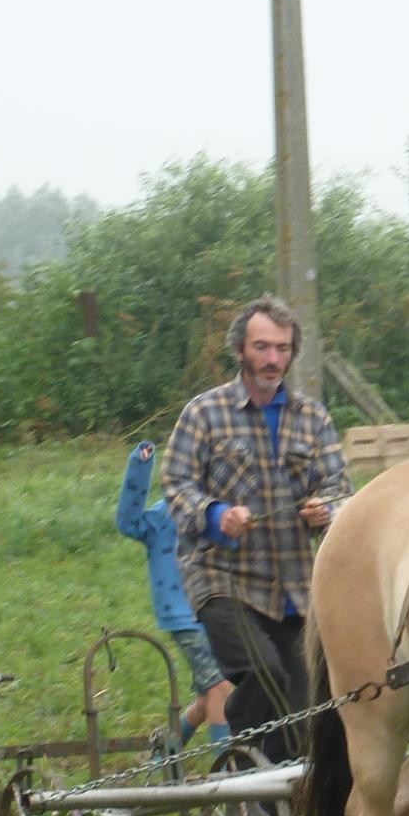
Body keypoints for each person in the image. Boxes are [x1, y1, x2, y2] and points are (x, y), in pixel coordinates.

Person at [161, 295, 348, 760]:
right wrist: (214, 514)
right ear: (241, 350)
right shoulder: (204, 413)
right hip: (223, 582)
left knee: (302, 710)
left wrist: (327, 508)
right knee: (265, 674)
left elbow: (340, 486)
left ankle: (271, 804)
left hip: (296, 589)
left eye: (282, 348)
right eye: (262, 347)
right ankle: (240, 767)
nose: (272, 359)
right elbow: (176, 484)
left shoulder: (313, 418)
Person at [116, 440, 234, 746]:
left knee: (212, 695)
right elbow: (127, 521)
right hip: (183, 617)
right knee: (220, 689)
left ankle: (166, 748)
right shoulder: (161, 516)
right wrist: (139, 466)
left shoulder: (221, 514)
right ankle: (230, 773)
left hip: (218, 609)